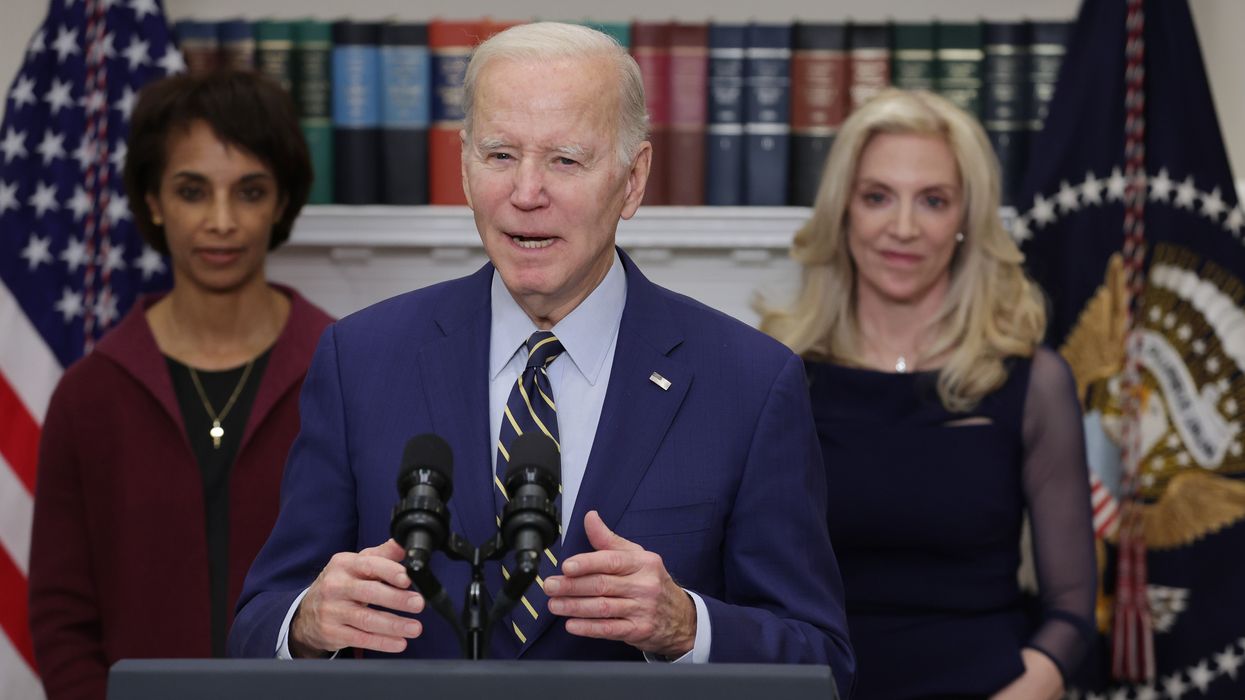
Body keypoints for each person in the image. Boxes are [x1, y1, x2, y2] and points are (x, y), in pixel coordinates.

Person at [228, 21, 854, 694]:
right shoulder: (360, 360)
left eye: (565, 160)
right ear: (465, 167)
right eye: (500, 155)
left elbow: (821, 665)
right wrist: (306, 624)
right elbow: (256, 628)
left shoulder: (750, 383)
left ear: (633, 179)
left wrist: (687, 628)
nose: (526, 193)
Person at [760, 88, 1096, 699]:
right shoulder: (775, 374)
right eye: (877, 197)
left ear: (967, 220)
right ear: (843, 211)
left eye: (934, 201)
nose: (904, 228)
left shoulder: (1034, 383)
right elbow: (742, 594)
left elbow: (1071, 611)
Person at [28, 69, 334, 700]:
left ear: (281, 202)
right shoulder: (89, 395)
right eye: (193, 191)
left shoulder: (346, 371)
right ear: (153, 201)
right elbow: (62, 618)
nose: (221, 221)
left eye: (249, 191)